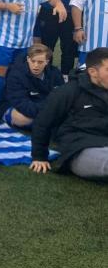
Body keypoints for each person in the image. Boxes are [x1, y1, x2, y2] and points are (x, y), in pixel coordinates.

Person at [30, 47, 108, 181]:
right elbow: (43, 122)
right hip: (80, 148)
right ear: (93, 72)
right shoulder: (68, 91)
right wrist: (39, 156)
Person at [0, 44, 63, 129]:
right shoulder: (16, 75)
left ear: (46, 62)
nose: (36, 65)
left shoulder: (55, 73)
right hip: (19, 106)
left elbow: (61, 99)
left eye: (40, 62)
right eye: (33, 61)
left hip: (44, 107)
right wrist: (48, 111)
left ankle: (47, 124)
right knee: (22, 119)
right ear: (28, 59)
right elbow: (21, 104)